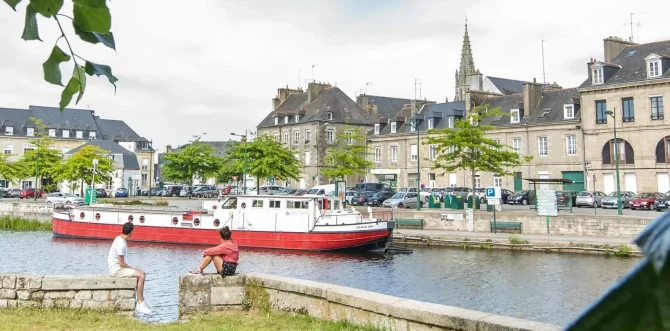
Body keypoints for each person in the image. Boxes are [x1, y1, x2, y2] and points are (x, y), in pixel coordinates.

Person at [108, 222, 152, 315]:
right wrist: (133, 269)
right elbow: (121, 263)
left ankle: (141, 300)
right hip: (116, 270)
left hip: (117, 268)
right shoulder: (121, 244)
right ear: (131, 232)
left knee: (141, 273)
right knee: (141, 275)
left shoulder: (119, 238)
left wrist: (134, 269)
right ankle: (140, 303)